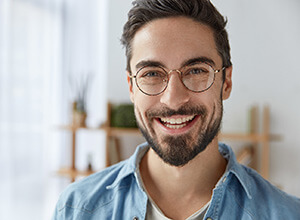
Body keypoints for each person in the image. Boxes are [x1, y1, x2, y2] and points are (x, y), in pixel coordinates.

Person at [52, 0, 300, 219]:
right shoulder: (76, 209)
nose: (173, 99)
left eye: (196, 71)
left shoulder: (287, 214)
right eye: (151, 74)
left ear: (226, 82)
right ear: (131, 87)